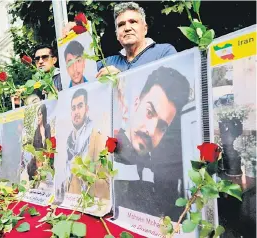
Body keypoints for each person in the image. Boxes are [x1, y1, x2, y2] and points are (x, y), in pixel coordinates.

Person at [113, 66, 190, 219]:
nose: (151, 131)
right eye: (149, 112)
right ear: (136, 104)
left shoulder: (161, 168)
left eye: (162, 127)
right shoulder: (110, 155)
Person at [62, 2, 177, 78]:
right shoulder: (107, 63)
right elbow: (79, 74)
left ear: (145, 29)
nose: (127, 28)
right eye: (121, 25)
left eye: (133, 22)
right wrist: (77, 34)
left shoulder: (164, 52)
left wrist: (122, 78)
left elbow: (172, 88)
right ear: (117, 35)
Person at [64, 88, 109, 199]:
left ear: (87, 109)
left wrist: (84, 173)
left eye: (80, 106)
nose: (76, 112)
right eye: (73, 108)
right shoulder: (69, 140)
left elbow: (105, 183)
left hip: (89, 205)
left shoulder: (96, 137)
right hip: (71, 204)